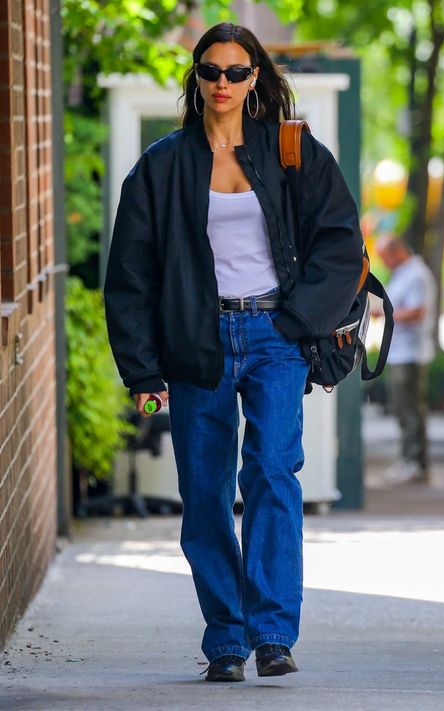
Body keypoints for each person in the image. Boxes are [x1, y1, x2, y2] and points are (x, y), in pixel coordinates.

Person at [104, 22, 364, 682]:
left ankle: (273, 632)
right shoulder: (161, 167)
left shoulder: (291, 154)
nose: (223, 82)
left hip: (275, 336)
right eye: (211, 70)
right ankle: (226, 635)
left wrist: (299, 321)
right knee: (205, 491)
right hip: (197, 342)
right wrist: (142, 368)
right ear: (197, 77)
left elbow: (340, 245)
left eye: (236, 71)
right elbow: (130, 275)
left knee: (273, 473)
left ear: (256, 80)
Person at [375, 235, 437, 485]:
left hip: (411, 353)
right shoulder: (403, 274)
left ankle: (414, 463)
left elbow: (417, 311)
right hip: (400, 351)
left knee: (410, 410)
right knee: (403, 410)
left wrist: (385, 313)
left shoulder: (416, 275)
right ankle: (409, 460)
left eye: (385, 257)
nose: (385, 263)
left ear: (398, 251)